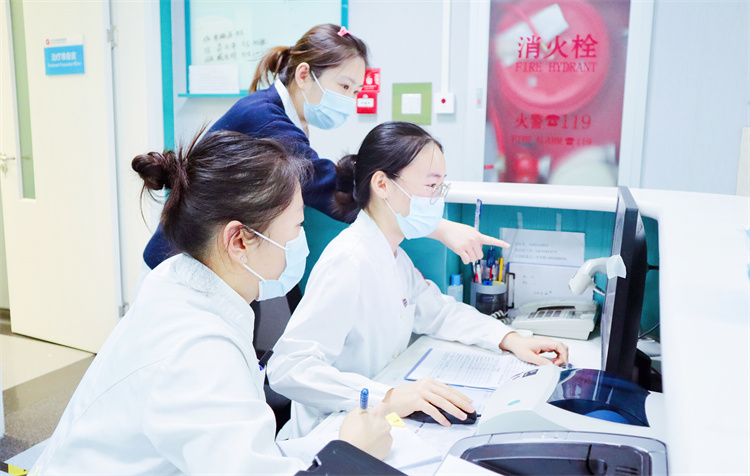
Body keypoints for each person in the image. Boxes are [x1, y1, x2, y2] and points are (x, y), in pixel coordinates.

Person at [31, 131, 392, 474]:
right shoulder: (200, 352)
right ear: (239, 240)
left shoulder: (182, 279)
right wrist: (351, 454)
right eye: (298, 226)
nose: (302, 240)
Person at [267, 122, 570, 438]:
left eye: (441, 187)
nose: (437, 199)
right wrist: (387, 397)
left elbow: (439, 312)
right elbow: (289, 367)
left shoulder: (392, 255)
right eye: (431, 186)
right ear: (382, 184)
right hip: (330, 429)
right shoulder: (349, 261)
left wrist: (510, 339)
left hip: (377, 414)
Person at [142, 23, 506, 276]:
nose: (350, 100)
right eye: (344, 87)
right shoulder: (266, 119)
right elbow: (326, 186)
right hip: (181, 259)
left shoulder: (284, 116)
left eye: (356, 92)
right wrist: (438, 226)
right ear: (304, 75)